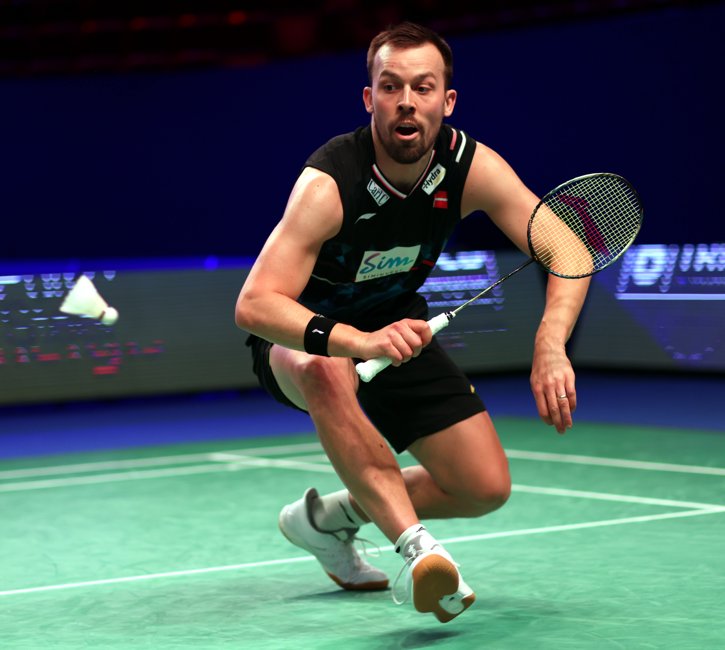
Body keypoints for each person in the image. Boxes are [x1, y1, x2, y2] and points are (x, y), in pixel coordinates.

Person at [235, 21, 589, 623]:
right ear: (369, 98)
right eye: (391, 86)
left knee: (482, 485)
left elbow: (570, 249)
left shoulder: (467, 166)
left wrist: (551, 341)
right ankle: (418, 550)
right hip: (303, 340)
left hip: (398, 331)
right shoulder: (331, 183)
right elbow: (256, 304)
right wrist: (354, 342)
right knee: (324, 370)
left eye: (423, 88)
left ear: (445, 102)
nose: (406, 101)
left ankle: (327, 520)